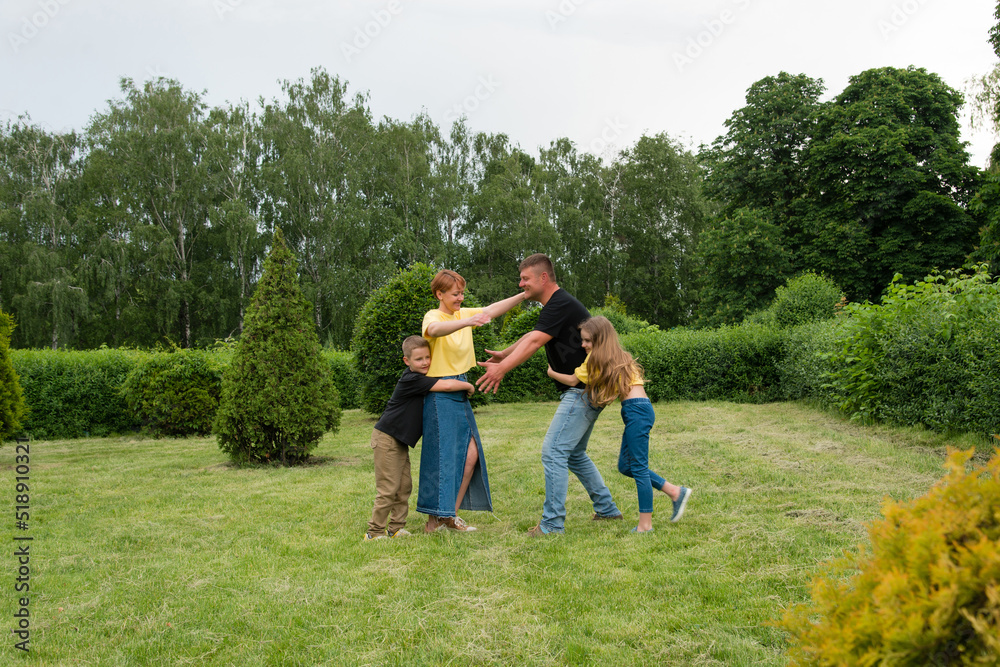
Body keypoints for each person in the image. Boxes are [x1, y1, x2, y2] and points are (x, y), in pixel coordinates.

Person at [476, 254, 622, 535]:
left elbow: (534, 340)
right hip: (587, 390)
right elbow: (535, 333)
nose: (521, 284)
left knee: (554, 451)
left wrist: (502, 368)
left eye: (525, 278)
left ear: (543, 278)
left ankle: (552, 524)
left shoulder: (560, 303)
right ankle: (607, 509)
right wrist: (504, 354)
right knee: (574, 453)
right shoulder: (557, 305)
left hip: (580, 391)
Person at [547, 316, 691, 533]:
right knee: (626, 466)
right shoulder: (617, 356)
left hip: (637, 411)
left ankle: (645, 525)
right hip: (637, 409)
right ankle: (674, 492)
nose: (582, 345)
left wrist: (550, 371)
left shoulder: (596, 359)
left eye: (587, 341)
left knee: (639, 468)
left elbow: (572, 381)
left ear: (599, 340)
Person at [418, 270, 526, 533]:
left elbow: (492, 309)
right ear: (439, 294)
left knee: (471, 454)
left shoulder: (463, 314)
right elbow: (434, 330)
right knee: (441, 456)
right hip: (440, 392)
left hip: (460, 392)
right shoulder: (434, 316)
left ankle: (450, 516)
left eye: (462, 293)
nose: (460, 298)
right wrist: (466, 322)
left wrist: (525, 294)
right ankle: (433, 521)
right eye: (455, 294)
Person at [364, 336, 475, 541]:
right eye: (418, 359)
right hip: (387, 439)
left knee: (404, 487)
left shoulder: (419, 377)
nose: (424, 362)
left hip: (398, 442)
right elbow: (447, 386)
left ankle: (396, 528)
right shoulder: (411, 379)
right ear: (407, 361)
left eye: (427, 357)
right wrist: (467, 386)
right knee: (388, 488)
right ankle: (374, 532)